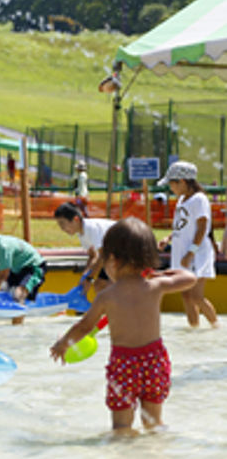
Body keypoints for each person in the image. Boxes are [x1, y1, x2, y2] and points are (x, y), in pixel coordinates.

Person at [50, 217, 197, 436]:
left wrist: (63, 344)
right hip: (154, 360)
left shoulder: (107, 295)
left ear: (112, 259)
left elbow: (84, 327)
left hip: (124, 365)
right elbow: (190, 277)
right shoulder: (156, 285)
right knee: (153, 422)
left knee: (121, 426)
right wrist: (159, 274)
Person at [156, 161, 220, 328]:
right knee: (186, 296)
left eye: (171, 183)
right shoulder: (182, 199)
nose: (170, 188)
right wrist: (168, 238)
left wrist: (191, 253)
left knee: (197, 297)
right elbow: (182, 226)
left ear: (182, 182)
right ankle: (194, 329)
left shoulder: (199, 199)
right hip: (182, 253)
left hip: (195, 254)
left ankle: (216, 327)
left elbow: (202, 227)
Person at [54, 202, 114, 297]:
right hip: (113, 255)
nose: (62, 229)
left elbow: (103, 256)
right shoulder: (82, 234)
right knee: (99, 286)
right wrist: (84, 277)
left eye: (63, 223)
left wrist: (90, 278)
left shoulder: (91, 228)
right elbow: (93, 256)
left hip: (129, 250)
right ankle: (110, 311)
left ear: (76, 219)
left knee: (112, 285)